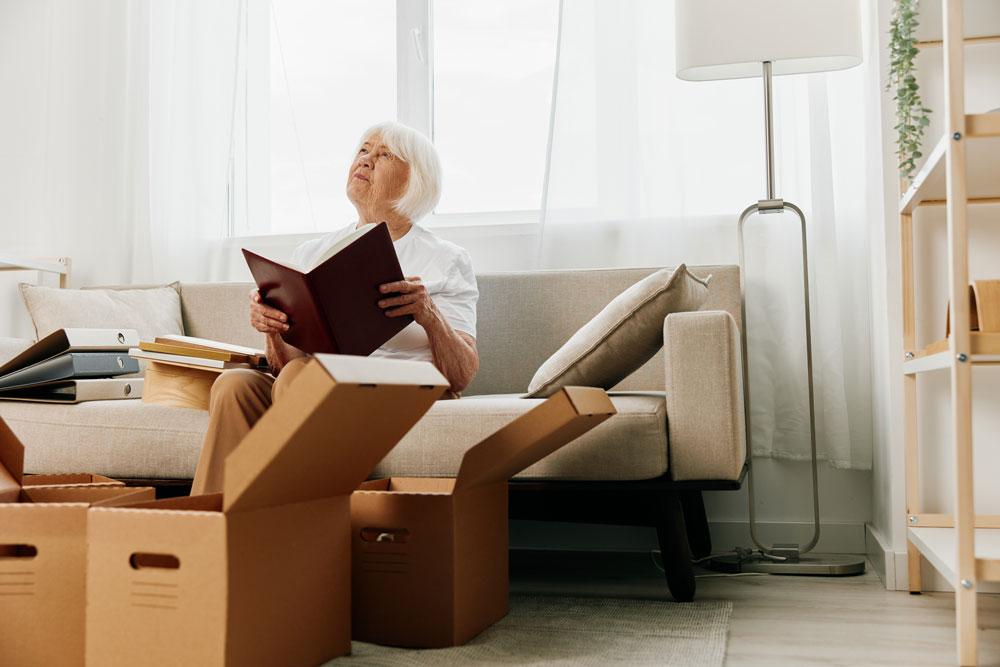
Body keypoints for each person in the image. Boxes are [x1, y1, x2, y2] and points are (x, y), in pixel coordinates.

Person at [190, 121, 479, 495]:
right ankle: (209, 531)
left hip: (398, 387)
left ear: (415, 180)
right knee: (235, 385)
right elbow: (284, 363)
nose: (366, 160)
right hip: (322, 383)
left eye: (384, 154)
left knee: (302, 378)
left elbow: (461, 376)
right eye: (363, 149)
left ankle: (298, 518)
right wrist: (272, 327)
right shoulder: (313, 254)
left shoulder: (446, 259)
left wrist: (428, 314)